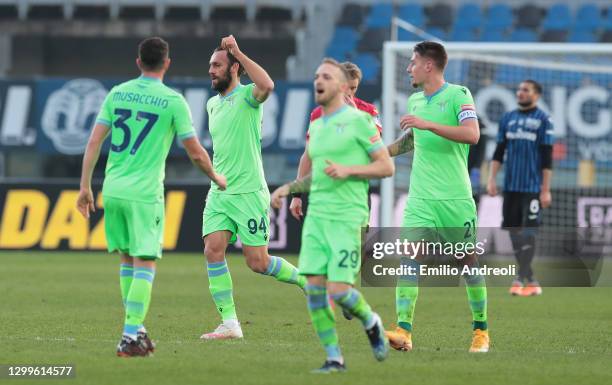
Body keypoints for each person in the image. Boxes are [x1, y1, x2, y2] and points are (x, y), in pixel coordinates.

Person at [76, 37, 226, 357]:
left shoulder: (117, 93)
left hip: (113, 189)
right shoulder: (173, 100)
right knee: (145, 263)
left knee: (127, 260)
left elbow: (93, 142)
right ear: (167, 63)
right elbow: (195, 151)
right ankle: (130, 335)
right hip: (144, 194)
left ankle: (138, 330)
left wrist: (85, 187)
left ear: (138, 62)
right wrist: (215, 176)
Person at [271, 58, 394, 373]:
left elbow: (386, 166)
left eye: (325, 76)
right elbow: (318, 175)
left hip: (347, 216)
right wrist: (290, 190)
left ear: (341, 86)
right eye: (316, 76)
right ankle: (334, 358)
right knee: (314, 289)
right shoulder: (316, 124)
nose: (317, 81)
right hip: (317, 218)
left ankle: (371, 320)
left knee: (338, 290)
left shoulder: (361, 121)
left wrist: (349, 169)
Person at [384, 41, 490, 353]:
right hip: (420, 197)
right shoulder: (415, 99)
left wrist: (429, 123)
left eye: (413, 63)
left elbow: (472, 135)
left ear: (429, 66)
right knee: (408, 259)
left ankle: (481, 331)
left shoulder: (459, 94)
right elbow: (411, 141)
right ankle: (404, 330)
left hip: (454, 198)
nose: (408, 68)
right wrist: (378, 152)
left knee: (467, 262)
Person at [200, 35, 306, 340]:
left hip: (248, 192)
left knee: (257, 263)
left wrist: (238, 51)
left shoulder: (248, 97)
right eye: (210, 65)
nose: (211, 70)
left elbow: (268, 85)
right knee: (212, 250)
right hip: (219, 192)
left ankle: (307, 282)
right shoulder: (211, 104)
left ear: (233, 68)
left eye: (217, 65)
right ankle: (230, 323)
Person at [289, 61, 381, 222]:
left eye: (354, 88)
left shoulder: (369, 111)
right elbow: (308, 154)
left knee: (356, 245)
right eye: (346, 87)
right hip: (326, 192)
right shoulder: (318, 114)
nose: (350, 93)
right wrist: (297, 194)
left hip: (356, 192)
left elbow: (375, 148)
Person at [487, 79, 553, 297]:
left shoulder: (544, 119)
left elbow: (547, 158)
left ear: (537, 95)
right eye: (519, 89)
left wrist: (545, 189)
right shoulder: (508, 118)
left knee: (529, 232)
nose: (520, 93)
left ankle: (520, 278)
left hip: (533, 186)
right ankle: (530, 279)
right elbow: (498, 152)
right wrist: (491, 179)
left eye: (525, 90)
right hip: (511, 186)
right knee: (514, 232)